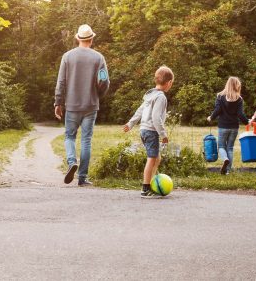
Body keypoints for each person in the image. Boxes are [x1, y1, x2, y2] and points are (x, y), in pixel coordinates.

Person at [53, 24, 110, 186]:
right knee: (86, 140)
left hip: (71, 105)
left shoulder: (67, 57)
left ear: (78, 38)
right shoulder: (98, 58)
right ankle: (82, 178)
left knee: (69, 136)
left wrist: (58, 102)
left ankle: (72, 162)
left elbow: (61, 82)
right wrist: (98, 95)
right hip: (91, 105)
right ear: (91, 39)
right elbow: (104, 81)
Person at [123, 66, 171, 198]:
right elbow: (156, 118)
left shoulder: (150, 94)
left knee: (157, 158)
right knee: (152, 159)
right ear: (169, 83)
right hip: (151, 131)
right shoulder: (161, 97)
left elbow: (140, 110)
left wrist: (131, 123)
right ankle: (146, 188)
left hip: (143, 130)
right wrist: (163, 134)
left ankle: (153, 183)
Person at [208, 76, 247, 175]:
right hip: (234, 127)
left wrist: (211, 118)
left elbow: (217, 110)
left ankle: (225, 159)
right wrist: (247, 122)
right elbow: (240, 114)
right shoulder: (239, 99)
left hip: (223, 126)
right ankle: (228, 170)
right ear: (236, 86)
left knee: (221, 146)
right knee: (230, 148)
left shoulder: (220, 96)